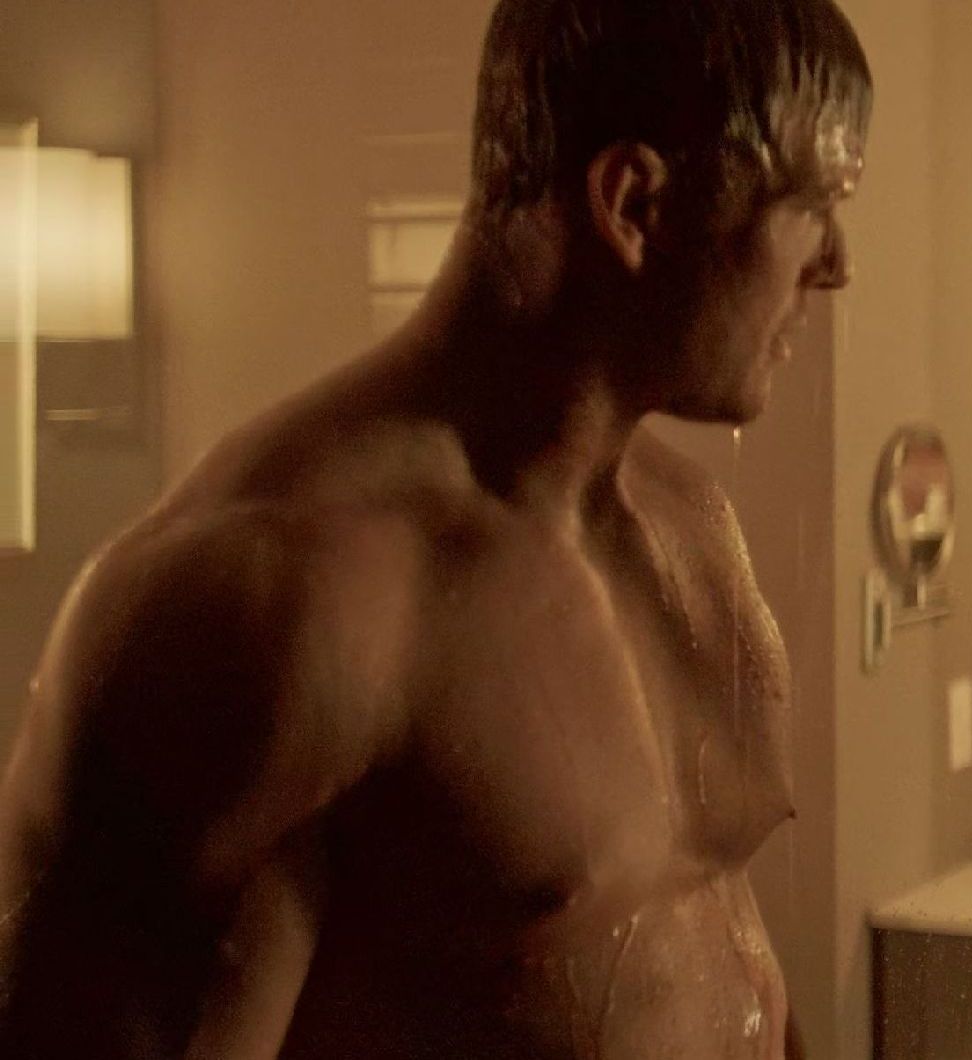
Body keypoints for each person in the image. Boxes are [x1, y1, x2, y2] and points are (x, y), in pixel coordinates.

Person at [0, 0, 866, 1056]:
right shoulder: (278, 602)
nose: (838, 264)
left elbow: (732, 958)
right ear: (634, 204)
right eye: (813, 208)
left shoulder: (693, 524)